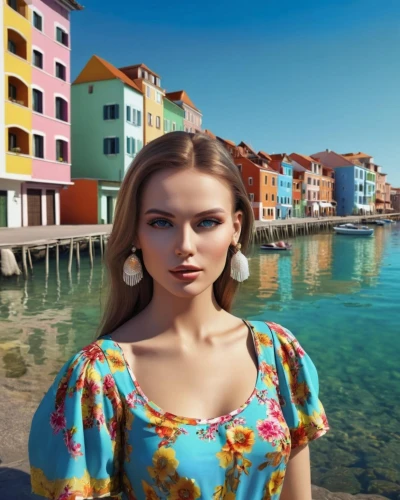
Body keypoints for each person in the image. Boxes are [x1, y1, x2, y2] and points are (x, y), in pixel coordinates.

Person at [29, 132, 329, 500]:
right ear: (135, 231)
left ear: (235, 228)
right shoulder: (99, 377)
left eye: (206, 223)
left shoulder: (278, 353)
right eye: (160, 222)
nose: (184, 246)